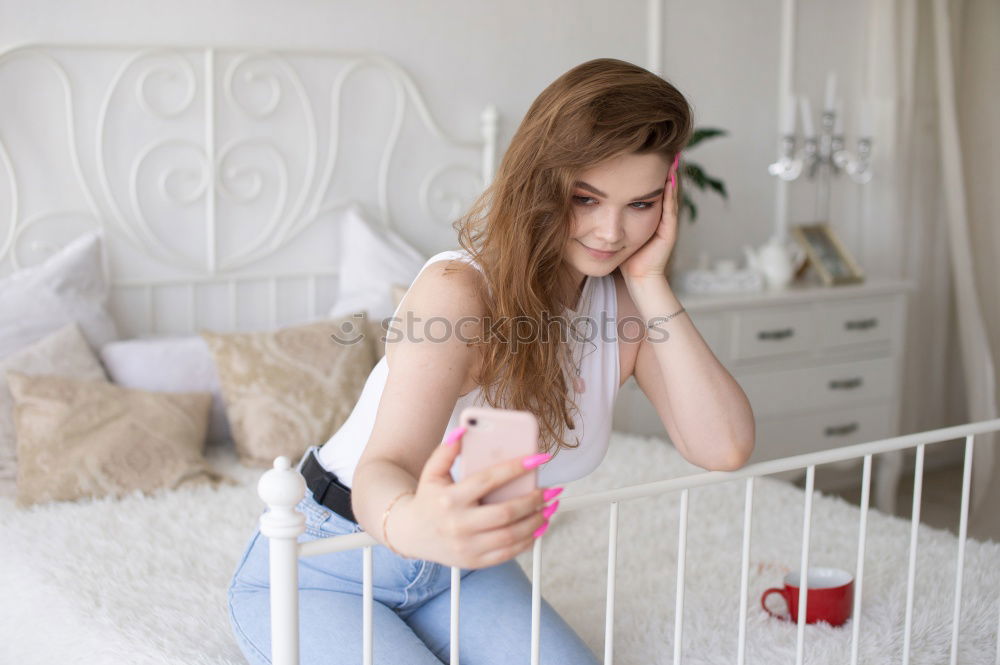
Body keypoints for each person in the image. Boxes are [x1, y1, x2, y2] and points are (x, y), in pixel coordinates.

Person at [227, 57, 755, 665]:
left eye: (639, 204)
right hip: (328, 560)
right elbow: (386, 464)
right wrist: (417, 527)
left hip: (463, 570)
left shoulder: (629, 306)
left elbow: (724, 448)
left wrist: (653, 279)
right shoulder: (460, 292)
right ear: (541, 181)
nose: (612, 231)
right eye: (586, 198)